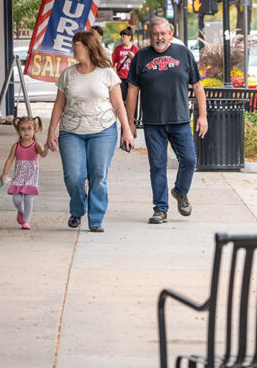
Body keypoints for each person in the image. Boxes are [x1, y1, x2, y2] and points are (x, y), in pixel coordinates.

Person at [47, 29, 135, 232]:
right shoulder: (67, 74)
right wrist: (51, 131)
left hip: (103, 131)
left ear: (86, 46)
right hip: (71, 131)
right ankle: (78, 209)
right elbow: (59, 105)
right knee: (74, 176)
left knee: (98, 175)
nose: (72, 49)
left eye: (75, 45)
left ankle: (95, 220)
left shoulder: (107, 73)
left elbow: (118, 105)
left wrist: (127, 130)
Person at [125, 17, 207, 225]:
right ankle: (160, 209)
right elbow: (132, 91)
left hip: (179, 120)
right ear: (150, 35)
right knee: (157, 166)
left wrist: (203, 116)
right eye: (155, 34)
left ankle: (180, 191)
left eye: (163, 33)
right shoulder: (141, 57)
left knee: (189, 161)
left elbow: (198, 87)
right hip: (153, 123)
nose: (159, 37)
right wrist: (130, 122)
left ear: (170, 34)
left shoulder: (184, 54)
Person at [0, 116, 48, 230]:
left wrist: (46, 148)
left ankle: (26, 221)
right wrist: (4, 173)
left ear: (34, 130)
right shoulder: (16, 146)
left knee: (28, 198)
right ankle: (21, 211)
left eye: (29, 128)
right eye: (23, 129)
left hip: (31, 176)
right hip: (19, 176)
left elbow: (43, 154)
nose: (26, 131)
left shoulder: (36, 145)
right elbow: (10, 159)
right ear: (19, 131)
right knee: (17, 199)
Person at [111, 26, 139, 104]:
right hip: (121, 78)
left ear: (129, 37)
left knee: (132, 99)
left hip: (132, 78)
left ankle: (132, 115)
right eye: (121, 36)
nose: (121, 38)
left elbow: (139, 64)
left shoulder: (135, 49)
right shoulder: (117, 49)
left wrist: (133, 57)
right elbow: (111, 64)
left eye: (123, 36)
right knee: (122, 99)